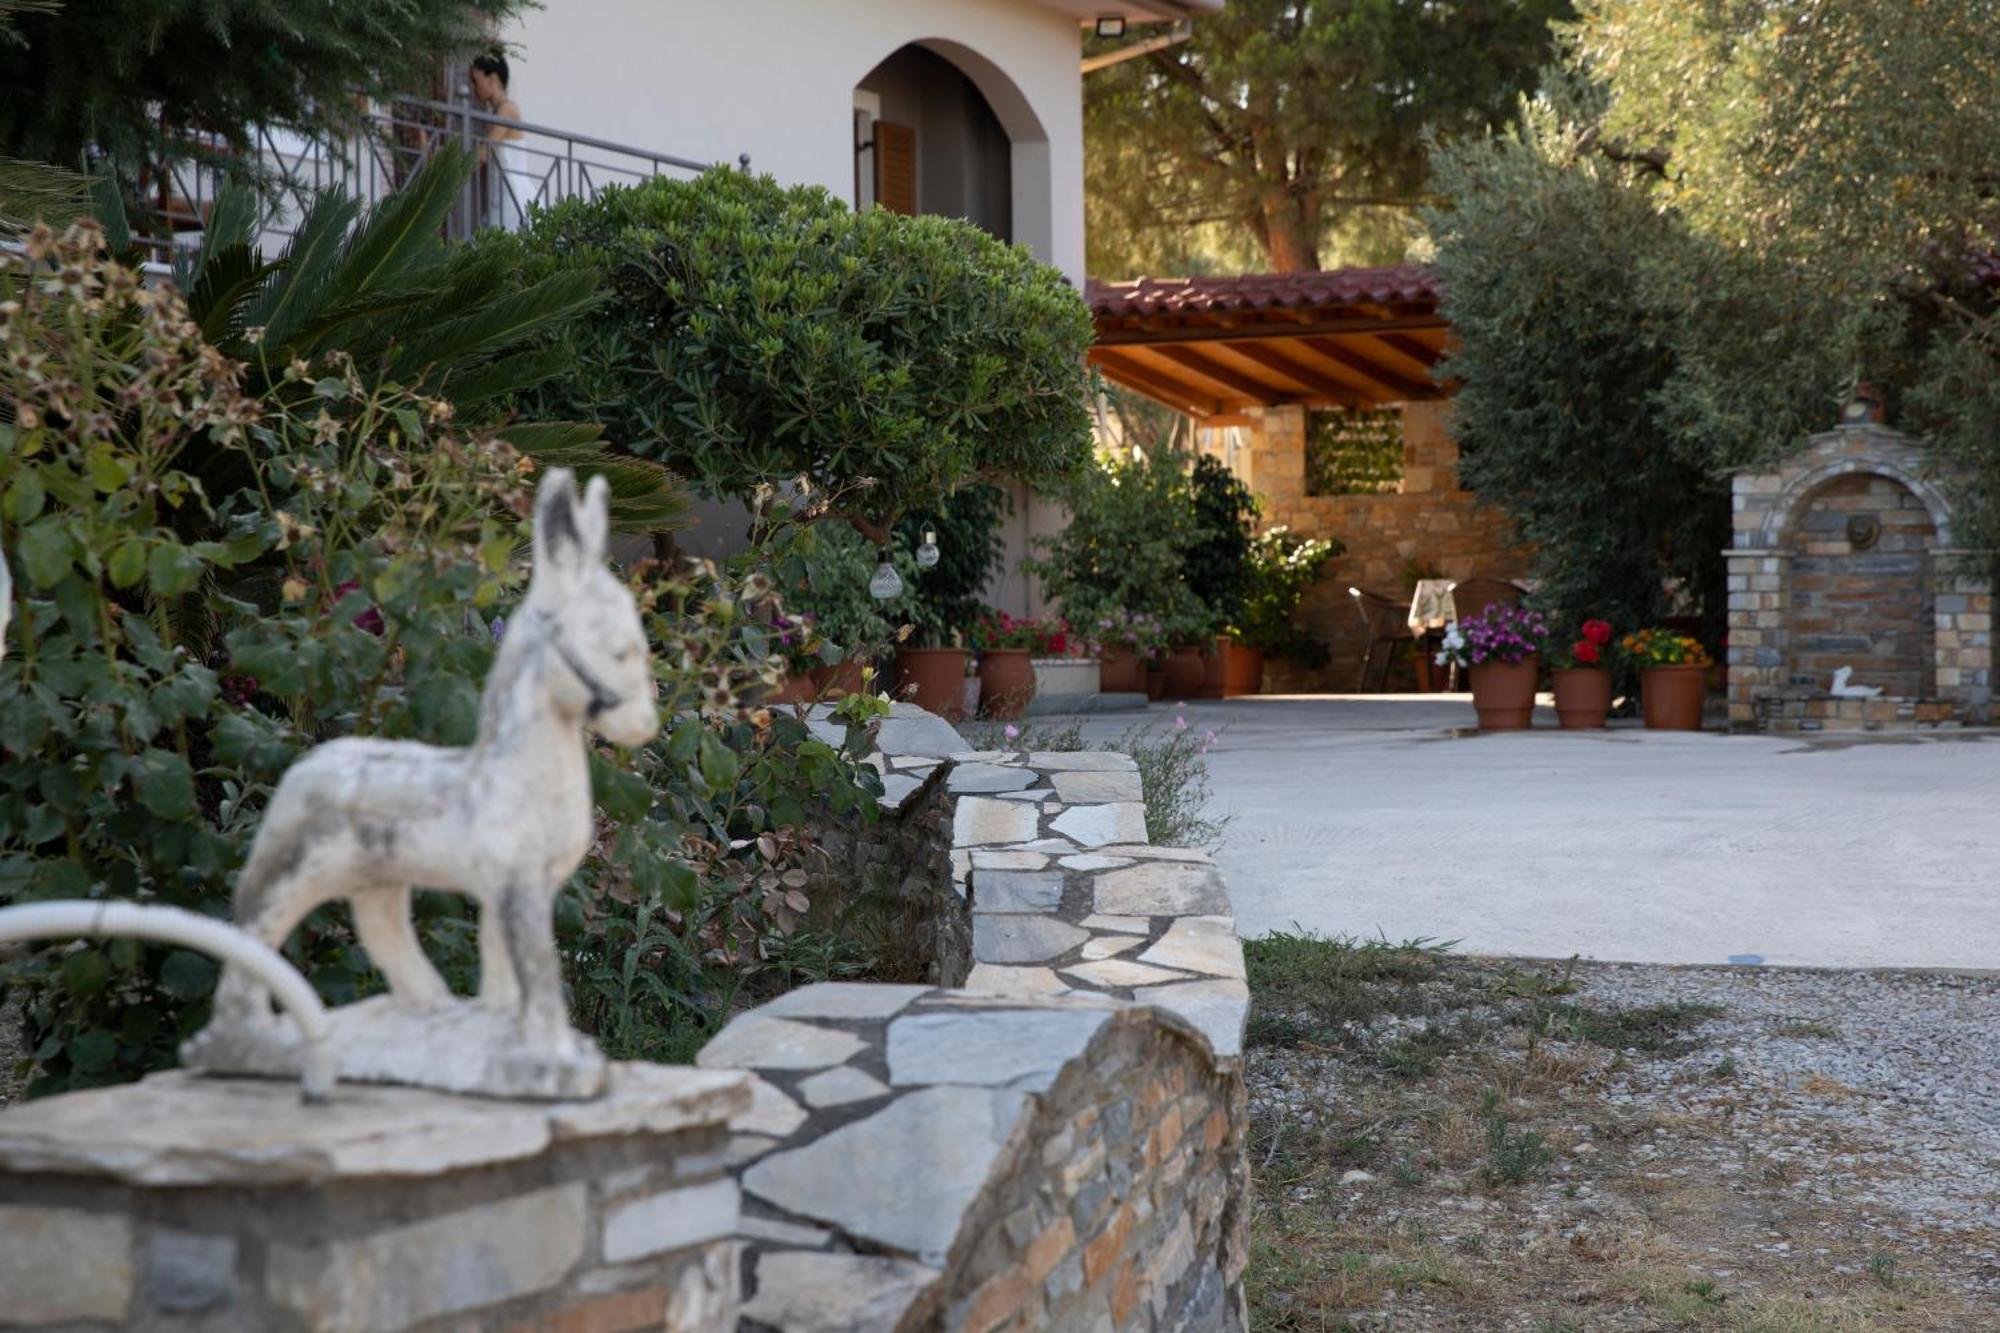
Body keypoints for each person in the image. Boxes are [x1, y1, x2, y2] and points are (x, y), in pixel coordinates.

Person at [469, 51, 525, 229]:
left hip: (512, 196)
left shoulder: (507, 110)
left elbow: (484, 153)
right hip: (500, 194)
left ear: (492, 79)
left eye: (476, 81)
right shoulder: (496, 113)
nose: (473, 87)